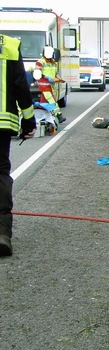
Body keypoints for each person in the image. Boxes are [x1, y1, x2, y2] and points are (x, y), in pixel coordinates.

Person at [0, 34, 37, 256]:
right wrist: (28, 119)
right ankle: (2, 234)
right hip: (2, 123)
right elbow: (21, 86)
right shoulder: (10, 45)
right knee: (1, 173)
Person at [33, 46, 66, 123]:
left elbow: (55, 72)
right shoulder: (40, 62)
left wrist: (59, 78)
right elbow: (37, 73)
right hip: (44, 86)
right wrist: (47, 77)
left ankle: (42, 117)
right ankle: (59, 115)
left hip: (51, 86)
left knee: (44, 103)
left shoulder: (53, 62)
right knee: (52, 101)